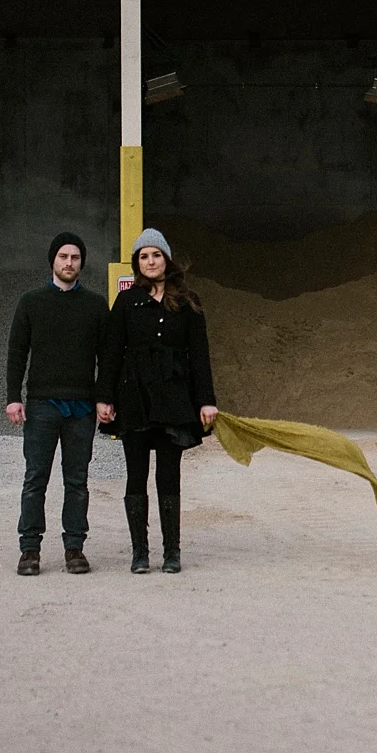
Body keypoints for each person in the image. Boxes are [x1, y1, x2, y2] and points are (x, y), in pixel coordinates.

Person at [97, 228, 218, 574]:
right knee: (136, 475)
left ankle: (171, 552)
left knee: (169, 475)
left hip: (174, 399)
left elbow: (200, 356)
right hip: (134, 397)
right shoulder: (126, 302)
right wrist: (104, 397)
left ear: (167, 259)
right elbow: (111, 353)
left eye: (156, 255)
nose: (150, 262)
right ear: (137, 263)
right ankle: (139, 553)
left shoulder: (189, 301)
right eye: (143, 256)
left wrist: (206, 401)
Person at [5, 230, 108, 577]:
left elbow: (107, 357)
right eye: (63, 256)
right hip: (42, 406)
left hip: (81, 408)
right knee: (36, 478)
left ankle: (74, 548)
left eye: (75, 257)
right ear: (53, 260)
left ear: (82, 263)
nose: (69, 262)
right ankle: (29, 550)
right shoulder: (31, 302)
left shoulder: (95, 306)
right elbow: (17, 353)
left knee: (77, 481)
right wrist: (13, 398)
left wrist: (104, 398)